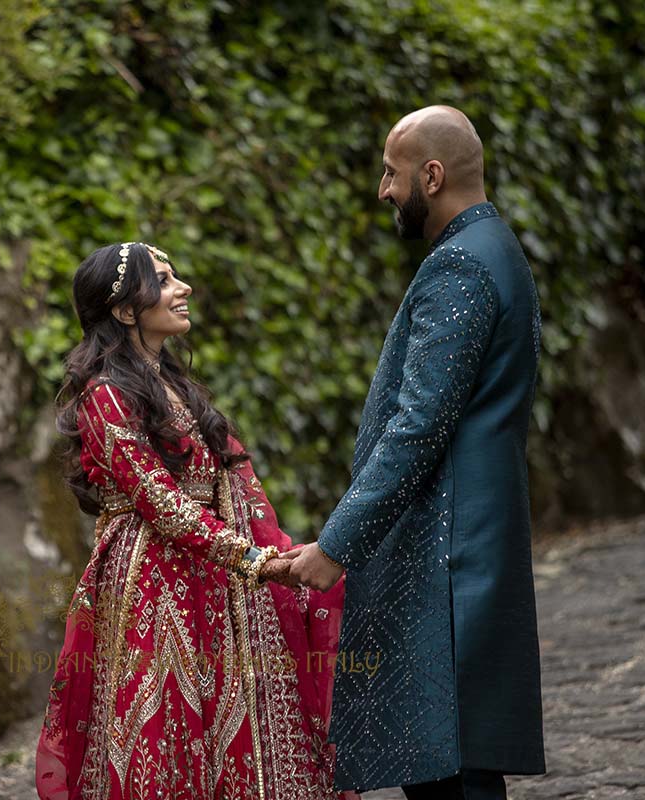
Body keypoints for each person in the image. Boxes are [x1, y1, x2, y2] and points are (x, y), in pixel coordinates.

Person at [34, 241, 358, 800]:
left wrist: (271, 554)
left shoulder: (174, 387)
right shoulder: (104, 396)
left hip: (210, 579)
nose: (182, 288)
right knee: (166, 737)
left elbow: (225, 485)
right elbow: (159, 502)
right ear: (125, 309)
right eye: (163, 280)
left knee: (223, 727)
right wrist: (256, 560)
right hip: (152, 591)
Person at [285, 106, 546, 798]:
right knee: (448, 766)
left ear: (431, 175)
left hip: (446, 559)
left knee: (447, 773)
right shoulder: (495, 247)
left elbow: (417, 427)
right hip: (469, 543)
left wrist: (336, 545)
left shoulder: (459, 265)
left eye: (391, 173)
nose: (383, 190)